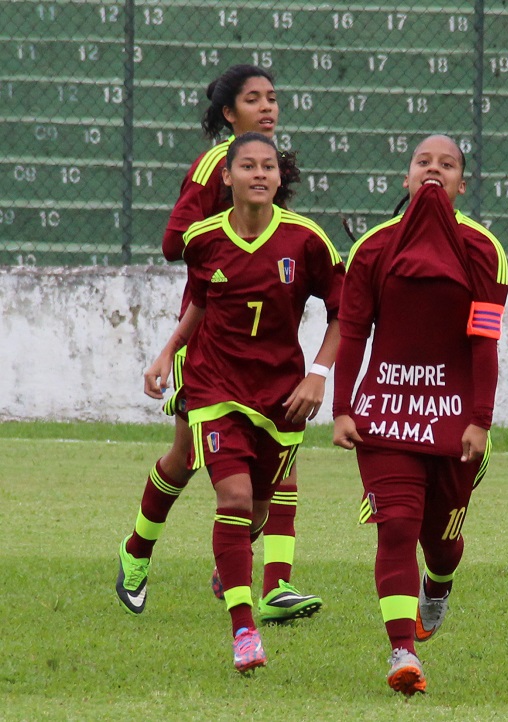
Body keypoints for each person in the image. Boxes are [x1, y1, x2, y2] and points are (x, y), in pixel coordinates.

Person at [116, 64, 322, 623]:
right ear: (229, 114)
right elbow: (173, 241)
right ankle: (136, 551)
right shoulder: (217, 164)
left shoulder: (268, 164)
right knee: (184, 459)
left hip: (262, 348)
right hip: (210, 342)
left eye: (273, 98)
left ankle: (274, 585)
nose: (268, 108)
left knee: (282, 460)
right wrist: (228, 243)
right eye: (254, 100)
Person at [332, 135, 508, 695]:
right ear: (406, 179)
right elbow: (353, 331)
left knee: (440, 541)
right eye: (423, 162)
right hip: (386, 415)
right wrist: (342, 407)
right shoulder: (371, 249)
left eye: (447, 164)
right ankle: (402, 653)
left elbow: (485, 342)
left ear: (462, 184)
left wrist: (480, 419)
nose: (434, 170)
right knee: (397, 527)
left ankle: (439, 581)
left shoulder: (485, 251)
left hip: (454, 421)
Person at [167, 132, 344, 671]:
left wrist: (318, 375)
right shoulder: (203, 238)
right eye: (248, 165)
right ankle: (245, 632)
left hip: (280, 394)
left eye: (269, 166)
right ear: (228, 176)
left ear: (278, 177)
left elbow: (345, 314)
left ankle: (233, 561)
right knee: (236, 499)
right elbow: (200, 300)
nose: (259, 174)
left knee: (260, 507)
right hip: (214, 387)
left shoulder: (307, 240)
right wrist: (167, 353)